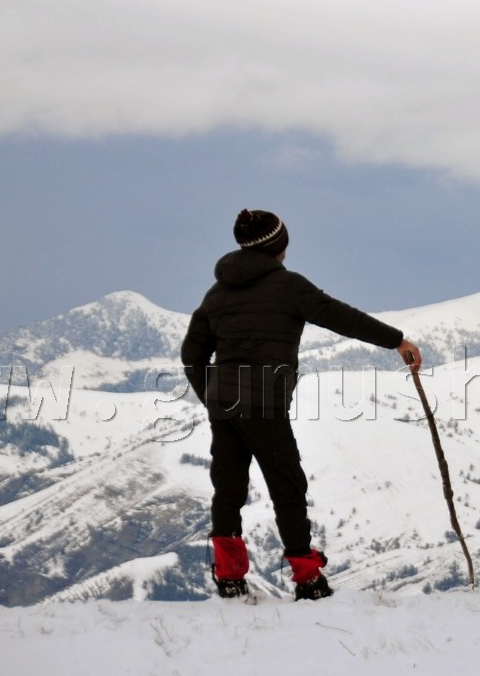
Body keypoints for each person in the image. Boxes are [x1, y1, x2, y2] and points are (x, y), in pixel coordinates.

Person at [181, 209, 422, 600]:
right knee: (286, 487)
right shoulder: (289, 287)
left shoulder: (217, 294)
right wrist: (396, 340)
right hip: (263, 406)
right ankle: (307, 577)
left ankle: (228, 576)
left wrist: (212, 394)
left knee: (228, 488)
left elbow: (192, 352)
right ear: (280, 245)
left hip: (224, 406)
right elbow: (342, 317)